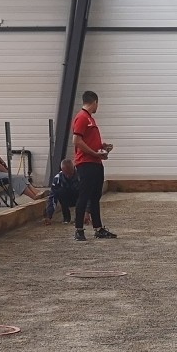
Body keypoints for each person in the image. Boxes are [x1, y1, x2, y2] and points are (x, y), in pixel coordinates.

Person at [70, 91, 117, 241]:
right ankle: (79, 229)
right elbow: (77, 141)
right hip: (86, 163)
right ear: (94, 102)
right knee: (84, 196)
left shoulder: (90, 119)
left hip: (96, 162)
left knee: (95, 196)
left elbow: (88, 140)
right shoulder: (82, 118)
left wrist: (101, 146)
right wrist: (94, 153)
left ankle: (98, 228)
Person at [0, 134, 44, 206]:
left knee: (21, 176)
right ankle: (34, 196)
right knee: (15, 178)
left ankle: (36, 192)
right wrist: (7, 172)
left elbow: (2, 164)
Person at [48, 158, 80, 225]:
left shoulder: (81, 176)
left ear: (74, 169)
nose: (68, 176)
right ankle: (66, 218)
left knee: (82, 194)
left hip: (79, 198)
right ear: (62, 170)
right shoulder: (57, 179)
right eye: (66, 173)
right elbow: (52, 197)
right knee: (60, 191)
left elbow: (88, 194)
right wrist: (49, 215)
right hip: (66, 199)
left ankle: (79, 217)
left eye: (70, 173)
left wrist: (87, 211)